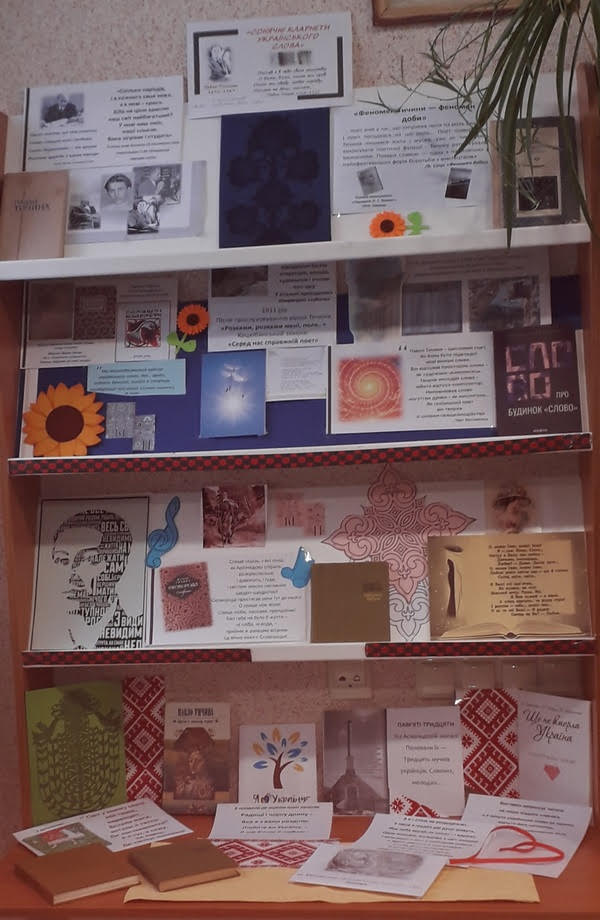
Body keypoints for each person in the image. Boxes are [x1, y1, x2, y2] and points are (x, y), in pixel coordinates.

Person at [51, 509, 143, 649]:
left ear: (119, 566)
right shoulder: (47, 634)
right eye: (62, 560)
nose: (72, 575)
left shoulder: (137, 633)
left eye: (90, 560)